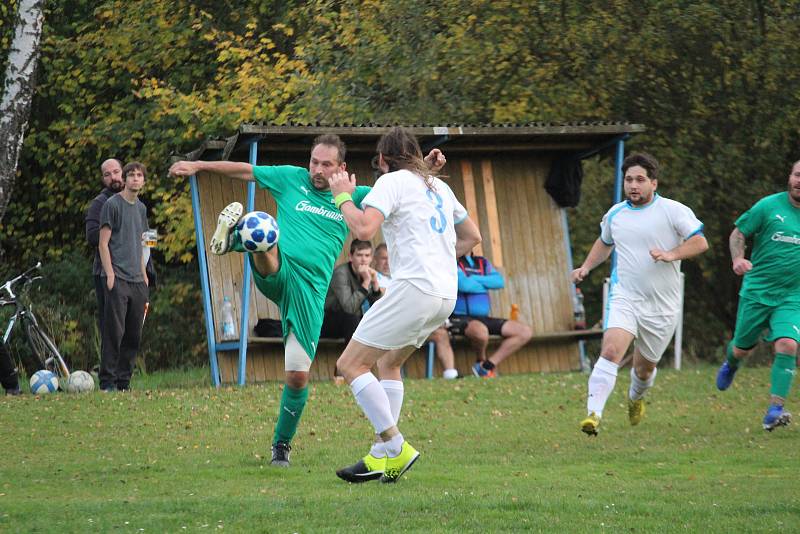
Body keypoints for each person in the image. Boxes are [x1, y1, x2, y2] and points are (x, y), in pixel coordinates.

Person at [169, 136, 446, 467]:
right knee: (265, 229)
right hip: (280, 270)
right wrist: (199, 166)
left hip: (311, 293)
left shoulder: (353, 196)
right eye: (314, 161)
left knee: (298, 375)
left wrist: (425, 168)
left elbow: (403, 193)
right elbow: (245, 171)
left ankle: (281, 446)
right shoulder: (291, 178)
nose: (316, 169)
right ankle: (241, 240)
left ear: (341, 168)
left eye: (326, 164)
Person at [330, 126, 481, 483]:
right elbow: (473, 237)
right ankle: (380, 457)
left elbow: (364, 230)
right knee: (388, 362)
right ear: (417, 155)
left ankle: (396, 446)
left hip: (415, 289)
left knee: (349, 364)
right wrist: (439, 259)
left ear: (383, 160)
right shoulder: (439, 186)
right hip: (445, 295)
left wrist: (342, 197)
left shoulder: (392, 181)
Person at [571, 152, 708, 436]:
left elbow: (700, 242)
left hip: (662, 306)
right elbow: (604, 242)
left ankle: (635, 397)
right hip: (626, 297)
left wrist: (672, 254)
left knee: (644, 369)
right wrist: (585, 267)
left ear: (654, 183)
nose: (633, 185)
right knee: (610, 350)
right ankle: (593, 414)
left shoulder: (673, 211)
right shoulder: (616, 214)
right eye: (629, 180)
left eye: (640, 180)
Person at [715, 159, 800, 431]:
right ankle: (732, 362)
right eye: (798, 175)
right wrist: (738, 259)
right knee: (742, 346)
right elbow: (739, 233)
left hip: (792, 296)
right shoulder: (768, 206)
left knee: (788, 344)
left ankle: (775, 409)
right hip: (758, 292)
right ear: (790, 176)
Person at [98, 161, 150, 392]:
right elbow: (102, 243)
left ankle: (123, 382)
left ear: (144, 181)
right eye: (131, 175)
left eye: (139, 175)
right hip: (117, 278)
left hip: (138, 281)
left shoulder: (142, 209)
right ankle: (107, 381)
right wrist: (109, 274)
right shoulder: (112, 205)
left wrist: (144, 272)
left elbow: (145, 242)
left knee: (134, 334)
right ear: (125, 179)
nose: (135, 179)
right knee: (114, 332)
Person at [448, 251, 533, 378]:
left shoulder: (482, 262)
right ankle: (480, 359)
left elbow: (499, 282)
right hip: (459, 317)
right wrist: (485, 284)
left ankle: (486, 367)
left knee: (524, 332)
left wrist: (473, 279)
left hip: (483, 318)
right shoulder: (452, 260)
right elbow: (464, 285)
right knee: (481, 332)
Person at [85, 159, 124, 337]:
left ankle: (127, 365)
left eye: (116, 172)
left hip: (134, 271)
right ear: (103, 179)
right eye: (107, 174)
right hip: (107, 273)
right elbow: (92, 236)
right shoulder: (99, 203)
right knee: (111, 327)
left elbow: (148, 237)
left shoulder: (136, 202)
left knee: (133, 324)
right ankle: (110, 365)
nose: (113, 177)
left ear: (123, 173)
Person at [320, 239, 383, 343]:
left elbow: (378, 308)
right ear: (350, 256)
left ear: (371, 258)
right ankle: (354, 358)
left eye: (367, 256)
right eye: (359, 255)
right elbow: (349, 308)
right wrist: (366, 282)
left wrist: (375, 283)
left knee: (379, 320)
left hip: (351, 323)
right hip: (327, 322)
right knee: (351, 318)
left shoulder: (367, 273)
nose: (363, 260)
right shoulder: (340, 274)